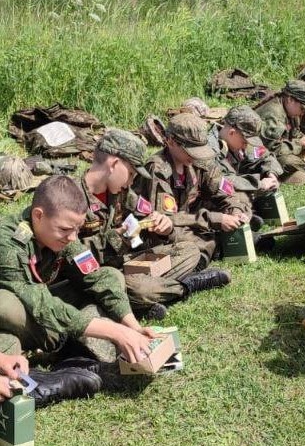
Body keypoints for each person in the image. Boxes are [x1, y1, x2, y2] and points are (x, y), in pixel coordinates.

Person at [0, 176, 156, 406]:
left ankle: (67, 354)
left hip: (40, 312)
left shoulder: (63, 232)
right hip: (18, 317)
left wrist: (132, 326)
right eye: (65, 229)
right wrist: (114, 331)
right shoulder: (8, 243)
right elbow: (39, 304)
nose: (72, 237)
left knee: (111, 276)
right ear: (38, 216)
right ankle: (58, 365)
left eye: (77, 229)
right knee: (5, 307)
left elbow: (96, 276)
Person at [78, 129, 231, 321]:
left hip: (128, 262)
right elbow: (69, 254)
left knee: (188, 250)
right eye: (132, 173)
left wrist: (163, 225)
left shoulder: (120, 192)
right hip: (100, 276)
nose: (131, 182)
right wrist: (118, 237)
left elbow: (146, 215)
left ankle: (145, 299)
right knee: (138, 289)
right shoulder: (71, 197)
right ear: (114, 164)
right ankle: (185, 286)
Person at [131, 113, 252, 269]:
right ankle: (206, 256)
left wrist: (235, 211)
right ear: (171, 142)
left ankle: (226, 241)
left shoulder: (199, 160)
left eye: (199, 149)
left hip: (192, 219)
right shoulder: (158, 169)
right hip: (162, 231)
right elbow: (166, 220)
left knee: (241, 202)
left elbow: (225, 191)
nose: (196, 155)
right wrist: (215, 219)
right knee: (194, 241)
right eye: (191, 149)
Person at [254, 80, 305, 185]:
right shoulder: (274, 116)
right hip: (261, 157)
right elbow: (272, 149)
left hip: (282, 149)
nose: (303, 112)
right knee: (291, 165)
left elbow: (294, 133)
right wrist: (299, 144)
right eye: (302, 108)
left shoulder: (290, 110)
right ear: (290, 99)